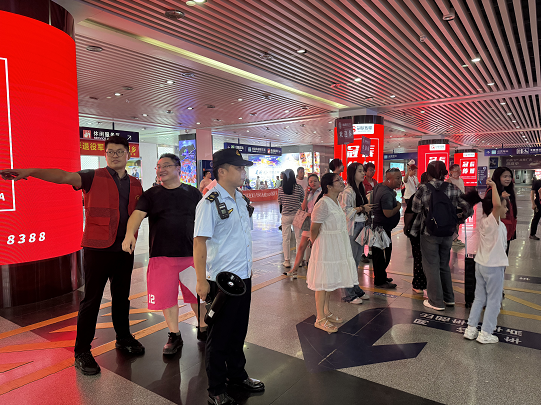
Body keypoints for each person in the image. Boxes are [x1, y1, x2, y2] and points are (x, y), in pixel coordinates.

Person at [0, 135, 144, 375]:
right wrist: (30, 171)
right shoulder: (92, 176)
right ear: (105, 155)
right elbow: (63, 176)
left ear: (128, 155)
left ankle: (123, 337)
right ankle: (82, 351)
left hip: (124, 250)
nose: (115, 155)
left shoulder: (136, 183)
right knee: (92, 300)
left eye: (120, 151)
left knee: (122, 298)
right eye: (110, 151)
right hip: (97, 250)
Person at [193, 149, 264, 405]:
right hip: (222, 281)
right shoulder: (209, 202)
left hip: (243, 277)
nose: (244, 172)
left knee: (238, 331)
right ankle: (215, 388)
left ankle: (237, 375)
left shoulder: (241, 199)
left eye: (244, 168)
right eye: (239, 168)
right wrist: (201, 280)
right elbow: (199, 242)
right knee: (219, 336)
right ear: (222, 171)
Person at [122, 153, 207, 355]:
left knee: (197, 296)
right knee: (167, 298)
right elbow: (137, 215)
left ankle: (204, 328)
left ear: (178, 168)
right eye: (159, 166)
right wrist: (129, 234)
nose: (161, 170)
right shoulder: (151, 195)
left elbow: (206, 219)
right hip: (161, 256)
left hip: (190, 255)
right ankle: (174, 335)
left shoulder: (193, 193)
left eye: (166, 166)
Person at [411, 161, 473, 311]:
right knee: (444, 265)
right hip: (447, 232)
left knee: (431, 266)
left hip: (429, 232)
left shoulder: (424, 188)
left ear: (429, 173)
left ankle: (436, 301)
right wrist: (457, 219)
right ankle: (449, 298)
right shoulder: (453, 188)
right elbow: (469, 208)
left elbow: (415, 208)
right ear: (445, 173)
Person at [307, 173, 360, 333]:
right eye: (338, 180)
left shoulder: (335, 201)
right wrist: (317, 246)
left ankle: (326, 312)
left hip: (334, 246)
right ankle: (320, 318)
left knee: (329, 281)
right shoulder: (323, 203)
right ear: (329, 186)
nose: (342, 182)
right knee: (322, 283)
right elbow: (314, 229)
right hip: (325, 247)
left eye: (341, 179)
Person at [463, 178, 508, 344]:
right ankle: (486, 333)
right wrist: (494, 186)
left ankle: (471, 329)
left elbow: (495, 205)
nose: (506, 208)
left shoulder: (484, 220)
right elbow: (496, 205)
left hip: (481, 264)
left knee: (479, 298)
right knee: (494, 301)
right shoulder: (492, 222)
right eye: (504, 206)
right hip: (493, 266)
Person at [339, 163, 373, 303]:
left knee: (357, 259)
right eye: (360, 171)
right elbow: (345, 212)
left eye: (363, 171)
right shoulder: (348, 191)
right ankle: (348, 293)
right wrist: (361, 208)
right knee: (350, 260)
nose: (363, 173)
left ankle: (355, 288)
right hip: (352, 228)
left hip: (360, 225)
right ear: (352, 173)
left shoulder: (361, 188)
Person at [284, 174, 322, 278]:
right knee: (301, 246)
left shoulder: (322, 193)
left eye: (315, 181)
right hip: (308, 224)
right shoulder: (309, 193)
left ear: (319, 182)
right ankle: (294, 270)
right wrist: (306, 195)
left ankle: (317, 270)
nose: (313, 183)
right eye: (310, 182)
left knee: (316, 248)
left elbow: (321, 209)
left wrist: (311, 214)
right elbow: (304, 207)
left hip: (318, 224)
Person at [371, 168, 402, 289]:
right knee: (382, 255)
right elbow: (388, 213)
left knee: (380, 254)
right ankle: (380, 281)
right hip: (381, 229)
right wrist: (398, 206)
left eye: (400, 177)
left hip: (379, 227)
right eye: (397, 178)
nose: (400, 181)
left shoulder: (380, 186)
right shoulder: (386, 194)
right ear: (388, 179)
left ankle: (381, 276)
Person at [404, 172, 428, 295]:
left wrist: (406, 227)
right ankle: (433, 284)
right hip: (434, 232)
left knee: (418, 257)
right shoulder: (438, 194)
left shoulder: (417, 195)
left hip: (417, 231)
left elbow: (409, 213)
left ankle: (418, 284)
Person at [486, 167, 517, 254]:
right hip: (497, 230)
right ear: (498, 177)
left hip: (507, 228)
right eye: (505, 176)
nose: (508, 179)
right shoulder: (492, 191)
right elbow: (488, 209)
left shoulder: (507, 190)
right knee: (498, 256)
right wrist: (500, 198)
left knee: (504, 255)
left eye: (509, 176)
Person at [278, 169, 304, 268]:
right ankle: (299, 261)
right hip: (297, 215)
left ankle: (287, 261)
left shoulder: (281, 189)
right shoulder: (299, 188)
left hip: (285, 216)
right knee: (299, 238)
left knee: (286, 239)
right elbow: (302, 199)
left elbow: (280, 201)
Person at [447, 164, 466, 247]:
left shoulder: (461, 180)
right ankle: (453, 239)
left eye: (459, 170)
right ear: (451, 172)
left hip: (460, 205)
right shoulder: (449, 181)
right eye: (457, 170)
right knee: (453, 223)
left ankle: (455, 238)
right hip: (452, 206)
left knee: (458, 223)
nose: (459, 172)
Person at [530, 175, 541, 240]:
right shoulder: (537, 182)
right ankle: (532, 234)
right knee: (536, 219)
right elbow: (532, 193)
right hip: (538, 204)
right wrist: (533, 204)